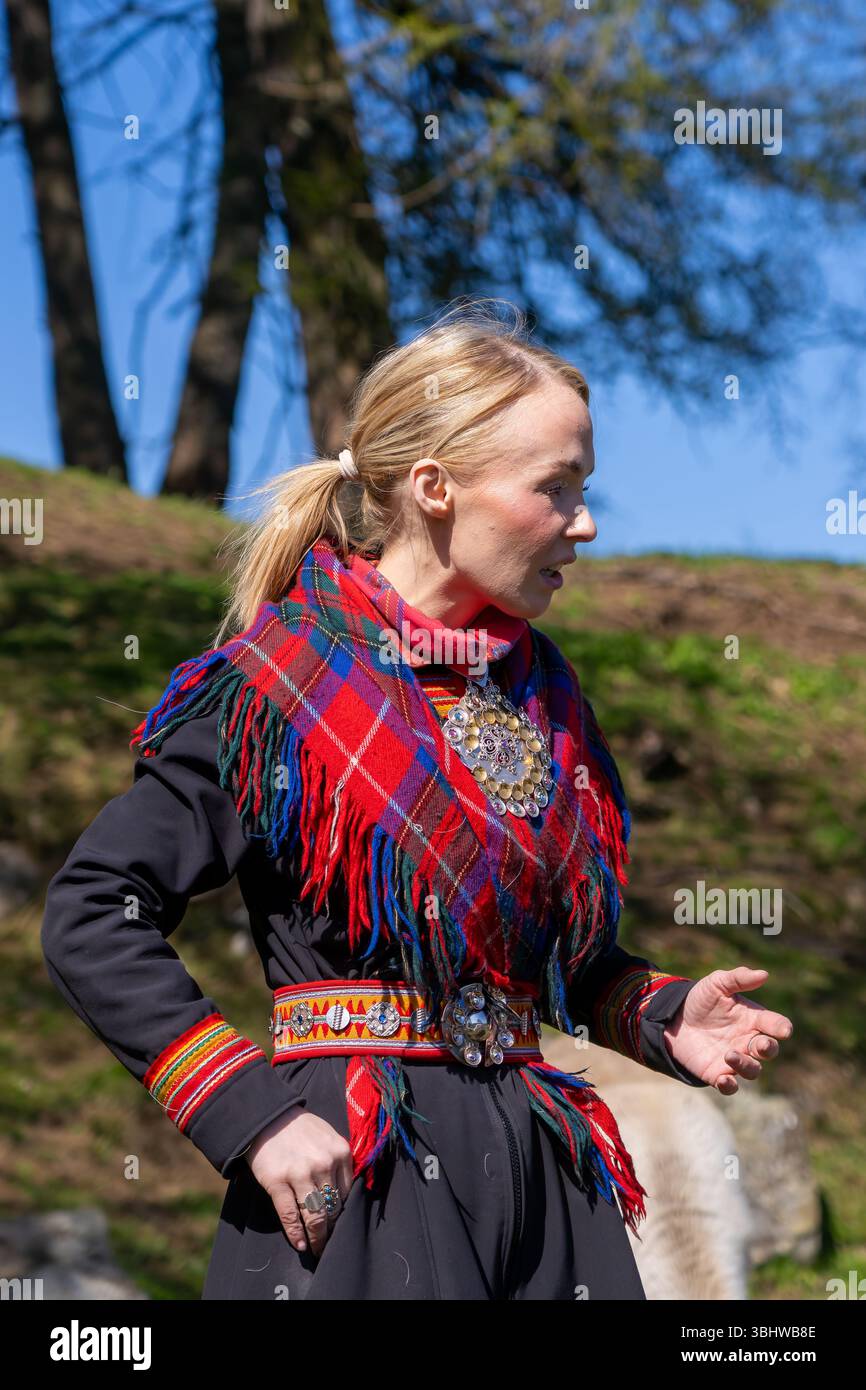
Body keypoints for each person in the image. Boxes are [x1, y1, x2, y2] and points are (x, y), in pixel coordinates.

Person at [40, 299, 793, 1300]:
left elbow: (540, 962)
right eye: (553, 488)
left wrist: (659, 1015)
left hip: (543, 1178)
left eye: (584, 486)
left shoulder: (542, 693)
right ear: (435, 489)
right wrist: (248, 1111)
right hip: (360, 1176)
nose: (586, 519)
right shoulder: (276, 690)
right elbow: (93, 909)